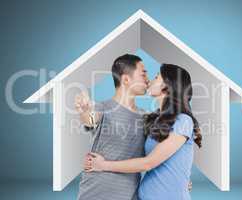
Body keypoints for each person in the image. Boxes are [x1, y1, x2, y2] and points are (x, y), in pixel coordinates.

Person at [85, 64, 202, 200]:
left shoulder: (183, 121)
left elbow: (149, 163)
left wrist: (102, 165)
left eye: (156, 77)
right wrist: (86, 112)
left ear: (168, 85)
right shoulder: (155, 120)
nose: (149, 81)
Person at [75, 54, 149, 200]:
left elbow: (156, 154)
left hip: (129, 195)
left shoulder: (146, 117)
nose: (148, 78)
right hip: (96, 193)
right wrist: (85, 111)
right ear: (126, 79)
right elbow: (90, 120)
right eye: (143, 74)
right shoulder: (102, 108)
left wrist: (178, 180)